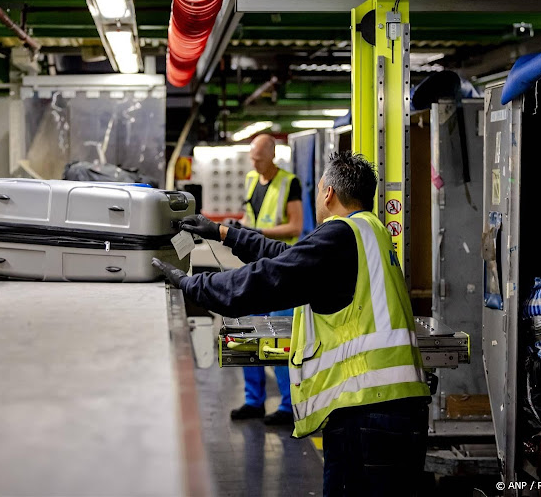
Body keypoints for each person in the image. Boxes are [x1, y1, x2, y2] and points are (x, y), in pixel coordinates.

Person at [153, 152, 430, 496]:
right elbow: (290, 256)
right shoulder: (371, 231)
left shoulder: (341, 235)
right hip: (397, 406)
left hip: (366, 412)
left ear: (328, 193)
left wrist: (193, 285)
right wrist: (224, 233)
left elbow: (268, 278)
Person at [225, 134, 303, 426]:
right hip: (253, 265)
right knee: (246, 329)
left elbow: (295, 226)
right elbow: (250, 218)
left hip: (280, 269)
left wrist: (258, 233)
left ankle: (288, 405)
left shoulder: (289, 183)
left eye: (258, 158)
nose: (254, 163)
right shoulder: (250, 179)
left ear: (272, 155)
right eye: (252, 158)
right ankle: (253, 401)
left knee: (278, 336)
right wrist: (239, 228)